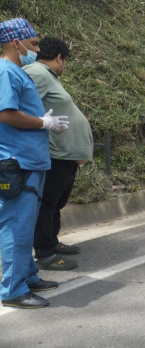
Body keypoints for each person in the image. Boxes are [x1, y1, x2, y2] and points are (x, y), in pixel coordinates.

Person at [0, 18, 65, 309]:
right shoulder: (5, 71)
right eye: (34, 43)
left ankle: (27, 276)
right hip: (18, 161)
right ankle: (13, 289)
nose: (36, 49)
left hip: (30, 161)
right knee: (16, 226)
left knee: (24, 224)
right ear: (16, 43)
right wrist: (43, 122)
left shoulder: (18, 71)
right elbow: (6, 114)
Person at [26, 37, 92, 270]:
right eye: (65, 61)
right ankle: (44, 252)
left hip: (65, 154)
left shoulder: (46, 75)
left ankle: (52, 242)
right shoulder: (37, 73)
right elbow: (22, 104)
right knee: (47, 203)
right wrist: (44, 123)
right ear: (58, 58)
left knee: (56, 202)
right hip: (55, 153)